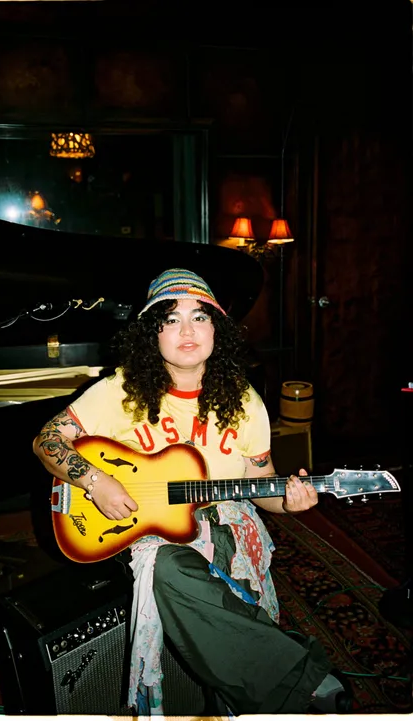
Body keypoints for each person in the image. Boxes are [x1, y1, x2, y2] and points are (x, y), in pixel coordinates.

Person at [33, 268, 350, 716]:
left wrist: (290, 501)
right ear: (152, 333)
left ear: (217, 330)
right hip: (141, 533)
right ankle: (300, 683)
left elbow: (262, 484)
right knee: (169, 566)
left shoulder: (244, 401)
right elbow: (48, 440)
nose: (187, 331)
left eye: (200, 317)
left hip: (224, 524)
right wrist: (95, 481)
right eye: (171, 319)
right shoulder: (118, 390)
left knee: (218, 600)